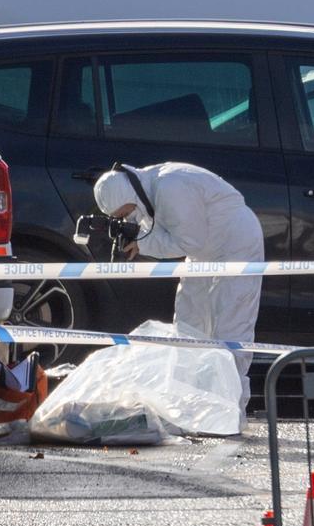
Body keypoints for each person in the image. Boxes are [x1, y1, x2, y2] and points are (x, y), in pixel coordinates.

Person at [93, 162, 264, 426]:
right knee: (188, 325)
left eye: (128, 212)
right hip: (204, 252)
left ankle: (231, 414)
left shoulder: (171, 187)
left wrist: (142, 241)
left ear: (131, 197)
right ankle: (192, 410)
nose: (129, 218)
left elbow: (188, 241)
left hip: (235, 246)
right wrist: (137, 237)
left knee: (231, 325)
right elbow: (182, 237)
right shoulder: (147, 189)